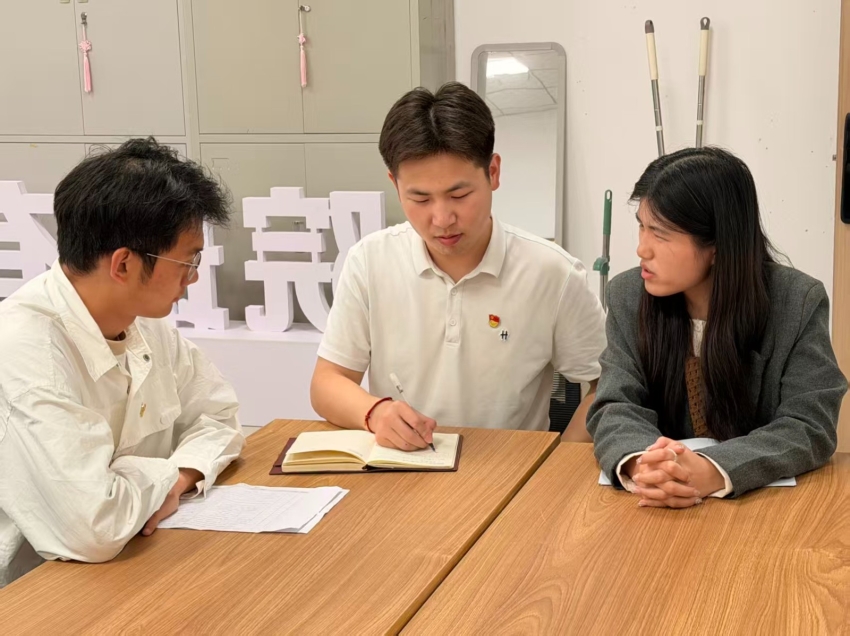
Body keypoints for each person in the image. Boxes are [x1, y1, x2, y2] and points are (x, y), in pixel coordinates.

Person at [0, 139, 245, 587]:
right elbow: (95, 525)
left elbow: (218, 416)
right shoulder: (26, 350)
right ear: (124, 265)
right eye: (187, 260)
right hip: (32, 593)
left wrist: (178, 479)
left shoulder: (142, 323)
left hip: (130, 567)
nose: (192, 278)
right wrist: (158, 474)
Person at [310, 82, 607, 450]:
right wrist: (375, 412)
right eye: (420, 198)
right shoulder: (370, 261)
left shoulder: (553, 273)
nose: (442, 219)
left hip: (508, 471)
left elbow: (606, 386)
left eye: (459, 194)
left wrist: (557, 462)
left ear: (493, 172)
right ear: (395, 184)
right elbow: (328, 381)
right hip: (401, 465)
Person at [588, 147, 846, 507]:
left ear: (718, 244)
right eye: (641, 226)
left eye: (660, 234)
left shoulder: (796, 301)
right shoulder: (628, 294)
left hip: (761, 507)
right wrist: (643, 463)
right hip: (653, 505)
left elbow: (809, 423)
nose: (642, 249)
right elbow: (615, 403)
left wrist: (713, 469)